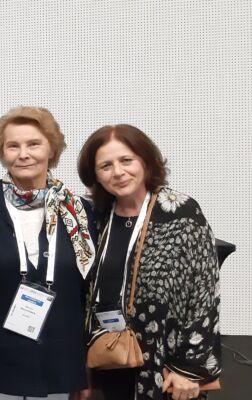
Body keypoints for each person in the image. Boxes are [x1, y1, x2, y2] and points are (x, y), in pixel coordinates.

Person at [0, 106, 96, 400]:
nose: (23, 154)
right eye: (13, 146)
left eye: (33, 144)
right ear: (2, 153)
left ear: (52, 149)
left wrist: (87, 368)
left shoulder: (78, 212)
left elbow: (89, 295)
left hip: (61, 368)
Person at [77, 124, 221, 400]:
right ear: (95, 174)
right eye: (105, 166)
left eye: (126, 160)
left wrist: (189, 369)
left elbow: (204, 294)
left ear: (145, 160)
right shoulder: (95, 217)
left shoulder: (180, 212)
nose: (118, 172)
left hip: (167, 367)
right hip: (109, 358)